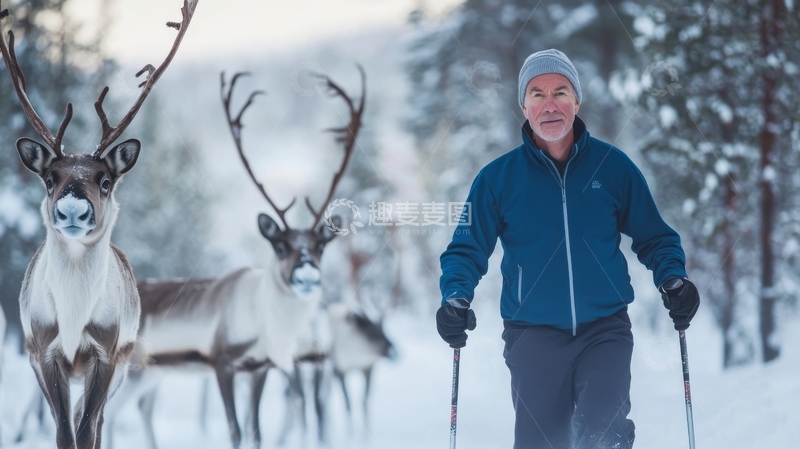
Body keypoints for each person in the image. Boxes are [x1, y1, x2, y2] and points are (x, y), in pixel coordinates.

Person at [435, 49, 700, 449]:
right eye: (537, 95)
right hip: (532, 336)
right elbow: (465, 250)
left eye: (560, 91)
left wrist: (673, 278)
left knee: (603, 433)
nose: (550, 105)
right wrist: (455, 296)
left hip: (604, 329)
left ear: (576, 100)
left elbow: (654, 236)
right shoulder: (497, 179)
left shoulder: (613, 168)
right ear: (524, 106)